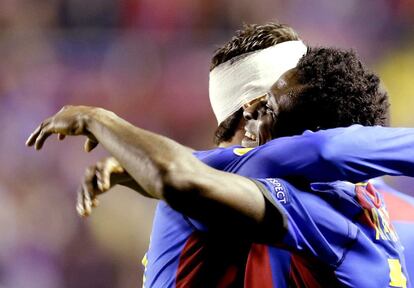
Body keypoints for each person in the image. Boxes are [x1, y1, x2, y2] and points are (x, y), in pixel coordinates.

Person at [26, 47, 414, 287]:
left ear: (306, 136)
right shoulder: (365, 204)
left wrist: (98, 119)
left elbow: (181, 178)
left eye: (269, 108)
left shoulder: (316, 211)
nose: (250, 112)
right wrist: (137, 164)